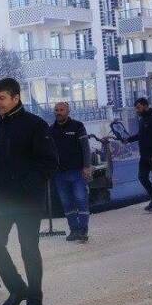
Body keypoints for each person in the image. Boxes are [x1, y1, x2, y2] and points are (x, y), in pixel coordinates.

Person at [0, 78, 59, 305]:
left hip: (26, 202)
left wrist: (24, 187)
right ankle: (17, 288)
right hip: (1, 202)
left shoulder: (35, 125)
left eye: (2, 98)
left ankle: (35, 303)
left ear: (16, 98)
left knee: (29, 251)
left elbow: (49, 163)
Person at [49, 102, 92, 243]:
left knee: (81, 200)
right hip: (59, 174)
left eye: (61, 110)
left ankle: (83, 230)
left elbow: (85, 148)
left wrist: (87, 166)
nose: (58, 112)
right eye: (56, 110)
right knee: (67, 203)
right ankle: (74, 230)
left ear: (68, 111)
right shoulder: (51, 130)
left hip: (77, 172)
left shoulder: (78, 126)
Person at [126, 98, 152, 212]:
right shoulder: (142, 120)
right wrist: (128, 139)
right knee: (142, 177)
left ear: (145, 106)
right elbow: (140, 135)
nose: (137, 110)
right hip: (144, 156)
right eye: (136, 108)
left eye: (138, 107)